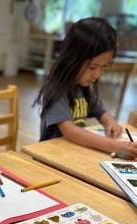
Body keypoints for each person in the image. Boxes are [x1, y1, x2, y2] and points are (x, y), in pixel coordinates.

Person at [34, 17, 137, 160]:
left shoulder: (84, 86)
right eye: (93, 67)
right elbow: (70, 131)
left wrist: (110, 123)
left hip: (71, 154)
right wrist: (114, 147)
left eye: (103, 67)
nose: (97, 74)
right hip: (49, 158)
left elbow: (101, 113)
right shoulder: (55, 87)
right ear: (72, 58)